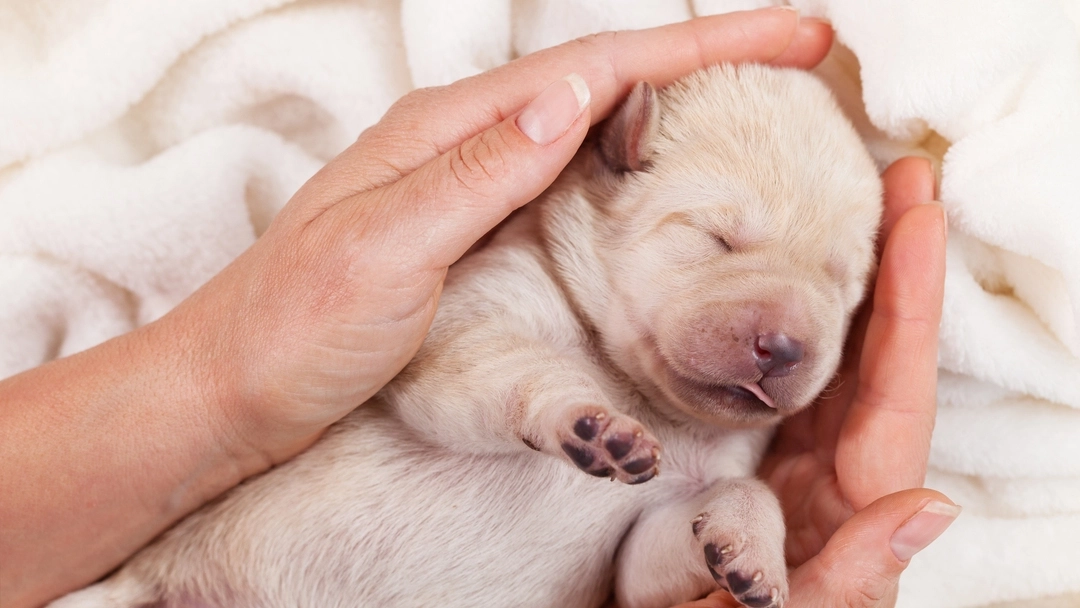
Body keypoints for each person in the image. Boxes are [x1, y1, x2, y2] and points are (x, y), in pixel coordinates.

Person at [0, 7, 953, 608]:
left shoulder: (733, 443)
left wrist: (735, 530)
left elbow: (641, 572)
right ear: (620, 159)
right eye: (720, 242)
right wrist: (543, 402)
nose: (787, 331)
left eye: (835, 280)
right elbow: (439, 384)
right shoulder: (528, 285)